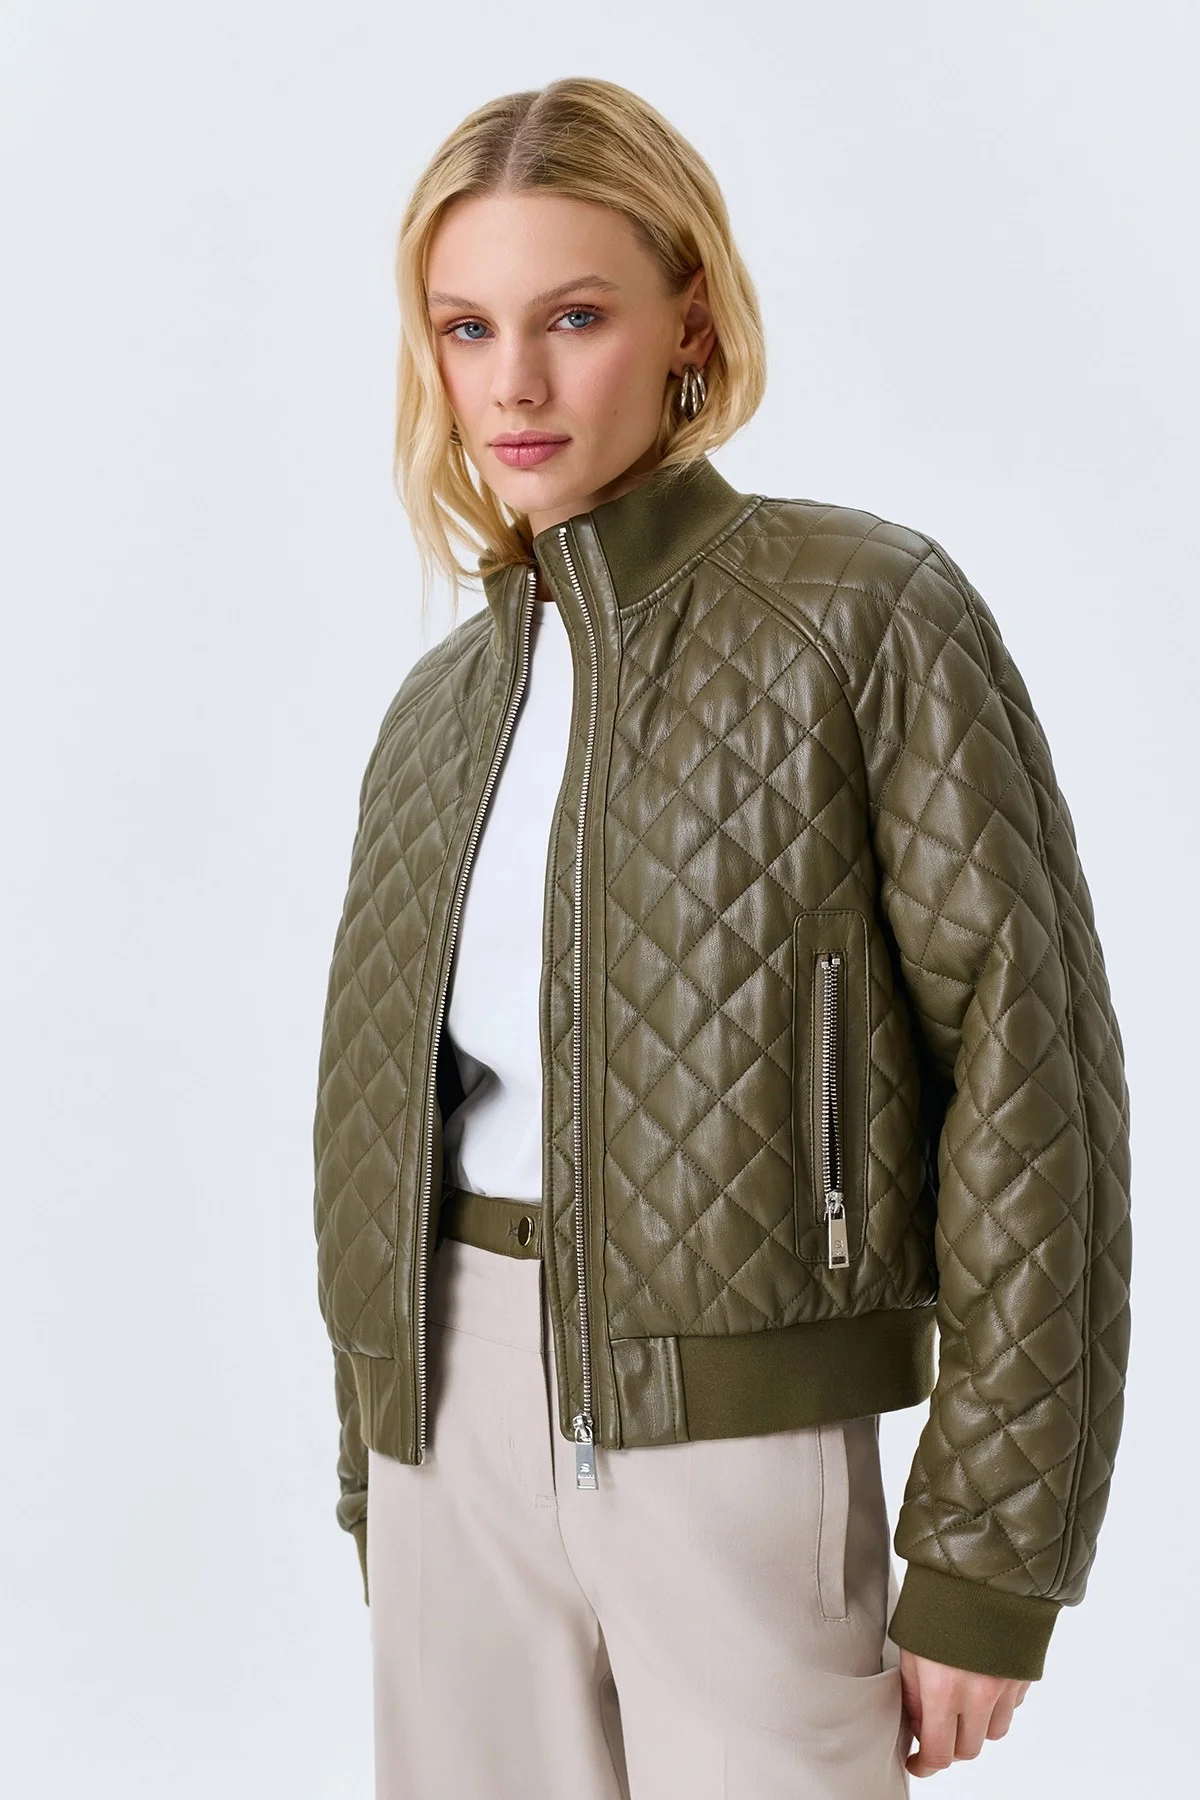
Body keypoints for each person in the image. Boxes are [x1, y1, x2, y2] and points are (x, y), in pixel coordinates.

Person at [310, 76, 1132, 1799]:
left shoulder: (860, 615)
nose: (513, 383)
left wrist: (992, 1555)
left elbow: (1030, 1078)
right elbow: (379, 1114)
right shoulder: (437, 717)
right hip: (451, 1421)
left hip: (741, 1436)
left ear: (690, 319)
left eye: (574, 317)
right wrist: (374, 1458)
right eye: (466, 327)